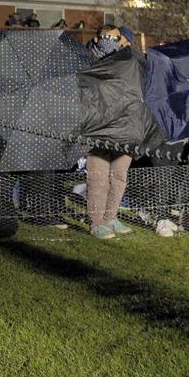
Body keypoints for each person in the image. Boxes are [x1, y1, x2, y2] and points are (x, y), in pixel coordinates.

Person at [84, 25, 135, 240]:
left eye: (114, 38)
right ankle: (97, 222)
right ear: (96, 39)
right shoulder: (87, 61)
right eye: (105, 38)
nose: (109, 42)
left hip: (125, 127)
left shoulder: (127, 62)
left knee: (119, 176)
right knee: (99, 177)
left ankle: (111, 216)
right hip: (98, 129)